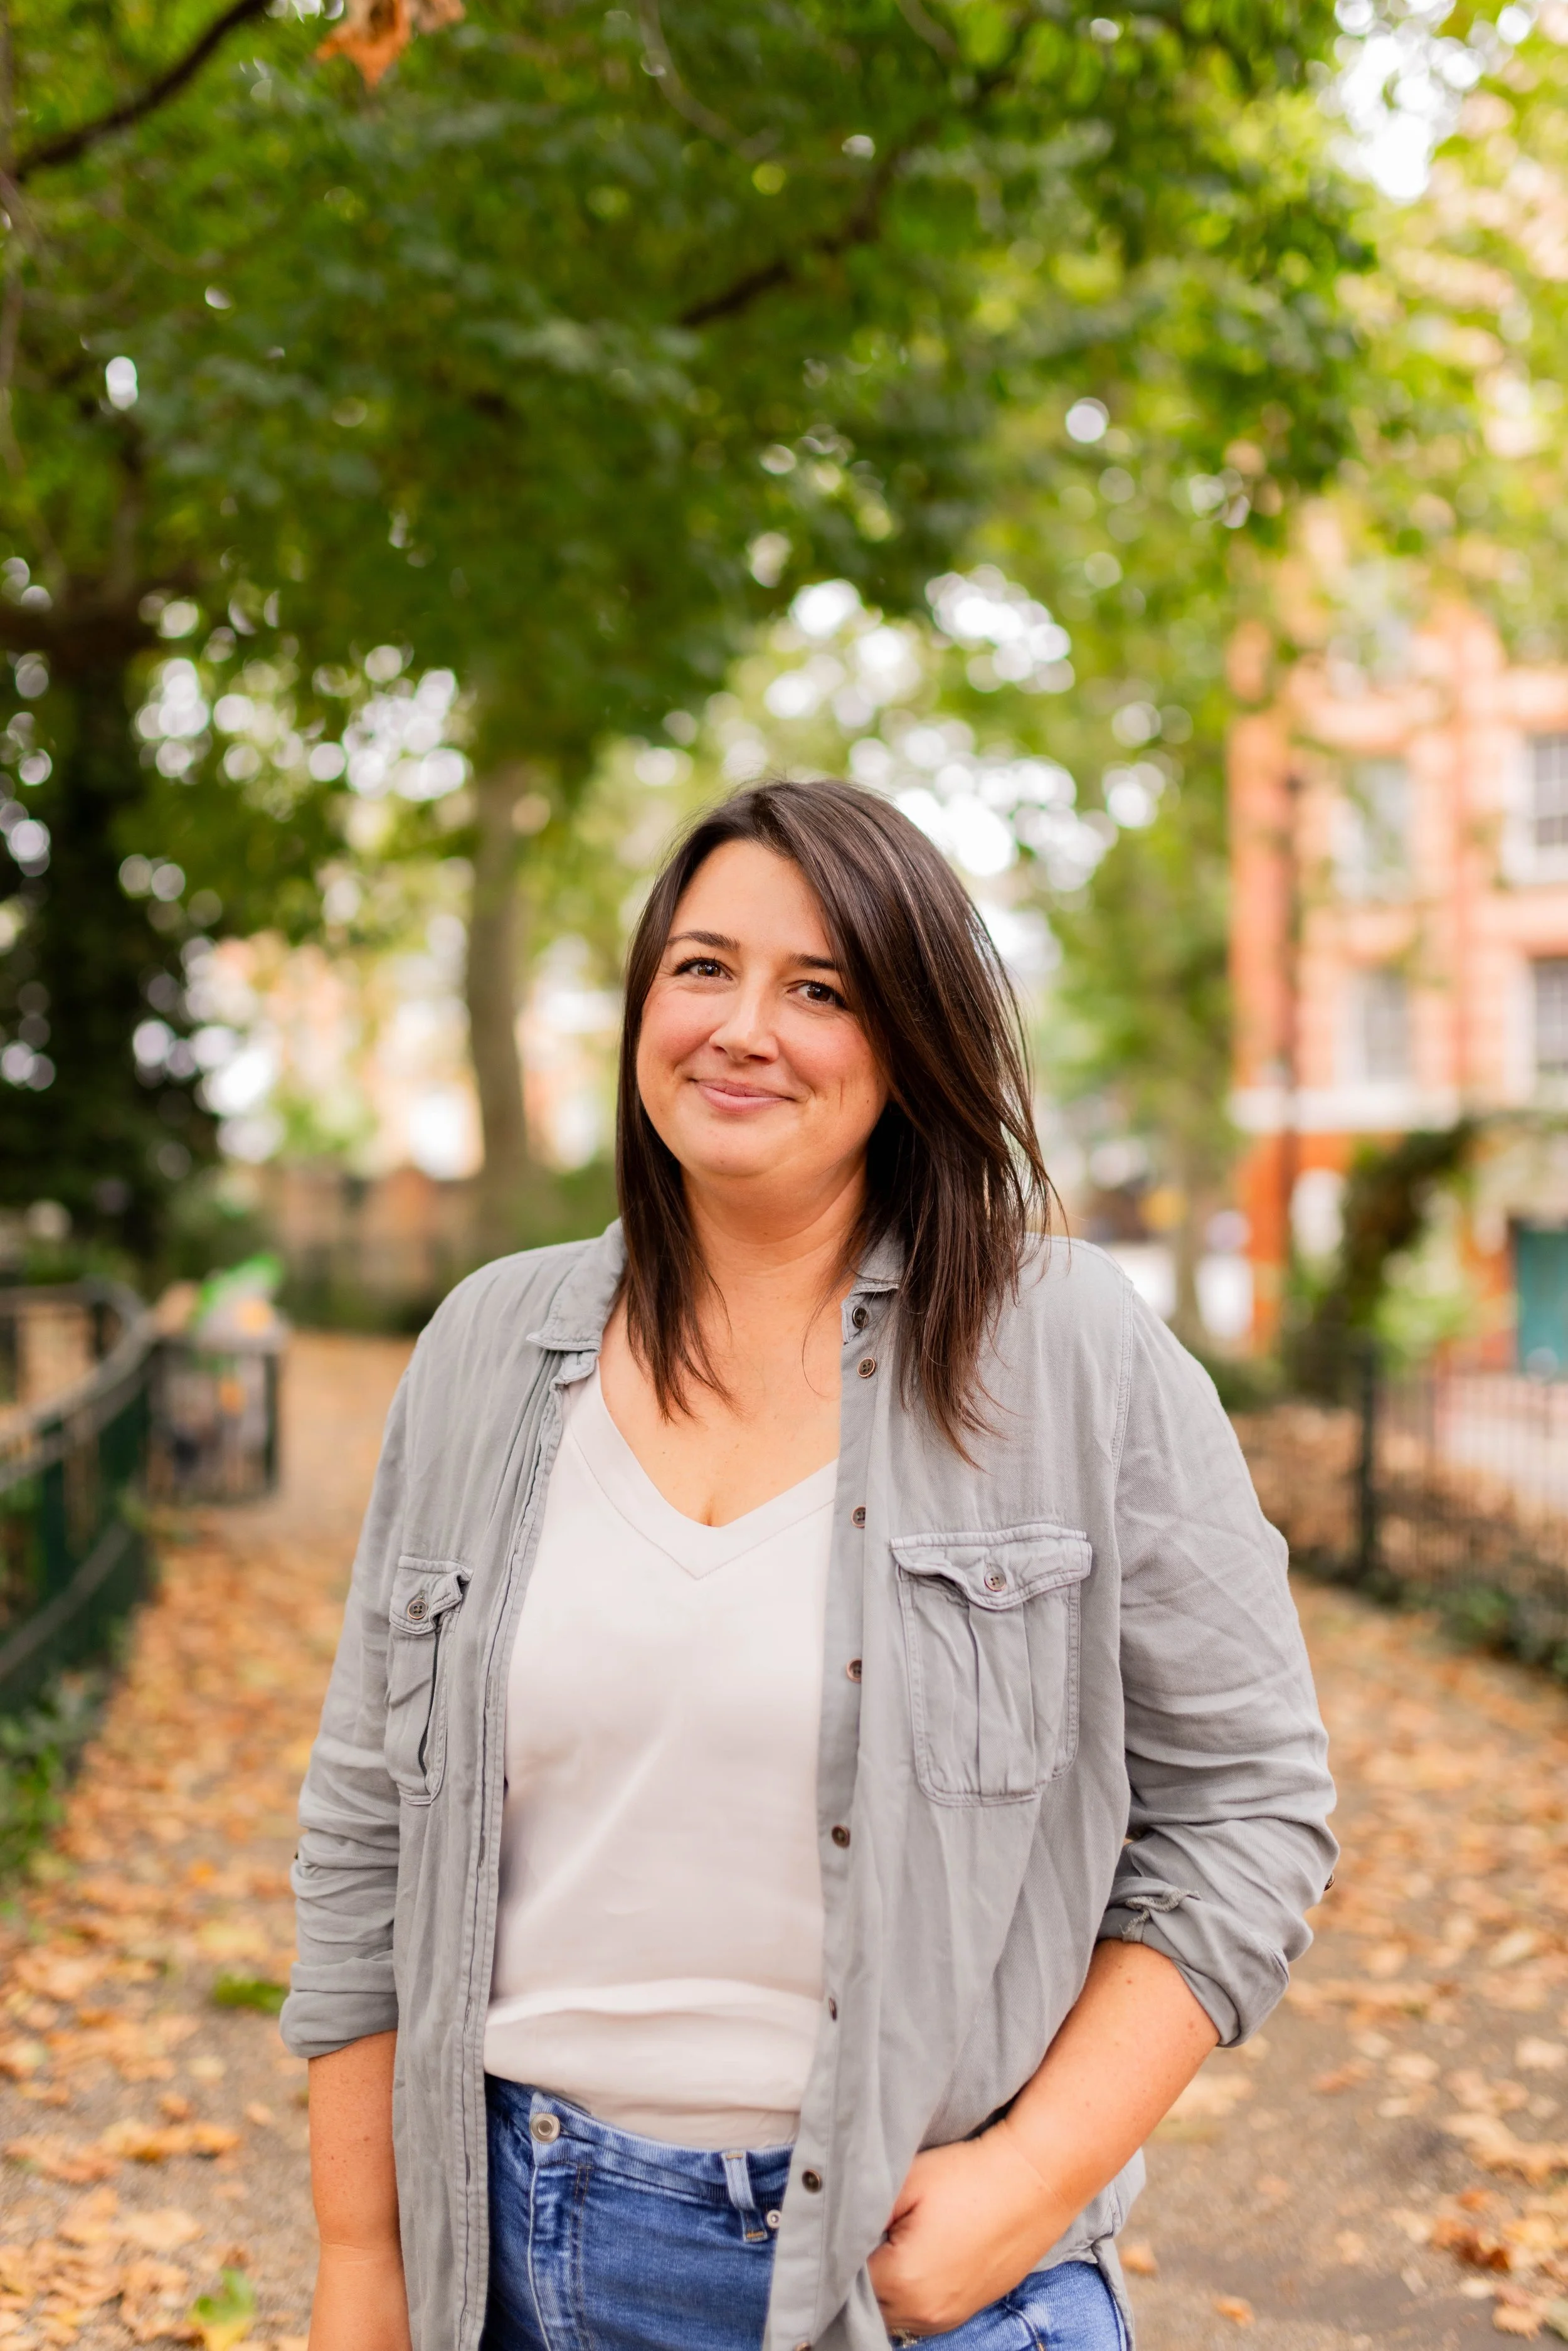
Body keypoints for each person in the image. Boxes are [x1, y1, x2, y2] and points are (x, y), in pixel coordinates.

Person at [283, 777, 1335, 2351]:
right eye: (701, 966)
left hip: (925, 2289)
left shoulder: (1066, 1348)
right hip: (507, 2263)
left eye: (820, 988)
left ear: (908, 1041)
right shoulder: (486, 1351)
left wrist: (1035, 2180)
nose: (741, 1027)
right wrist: (364, 2268)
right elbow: (368, 1820)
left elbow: (1246, 1806)